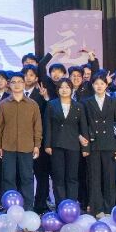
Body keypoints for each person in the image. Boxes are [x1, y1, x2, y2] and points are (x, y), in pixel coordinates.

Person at [0, 76, 42, 207]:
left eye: (20, 82)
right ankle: (9, 207)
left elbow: (37, 127)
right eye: (13, 82)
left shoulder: (33, 104)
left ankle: (28, 207)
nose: (17, 85)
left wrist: (37, 145)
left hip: (27, 147)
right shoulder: (3, 104)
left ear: (24, 84)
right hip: (7, 147)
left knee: (27, 177)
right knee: (8, 178)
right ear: (9, 85)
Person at [41, 79, 87, 208]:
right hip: (56, 145)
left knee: (72, 177)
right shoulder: (51, 104)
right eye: (61, 87)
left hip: (73, 145)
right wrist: (47, 144)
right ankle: (60, 205)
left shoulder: (78, 106)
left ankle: (71, 205)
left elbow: (83, 127)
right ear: (58, 90)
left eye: (67, 87)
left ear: (71, 89)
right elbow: (47, 126)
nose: (64, 89)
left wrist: (86, 147)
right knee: (58, 177)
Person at [82, 75, 116, 215]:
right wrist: (85, 145)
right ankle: (96, 209)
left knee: (109, 178)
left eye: (102, 83)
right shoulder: (86, 102)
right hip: (93, 144)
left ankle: (109, 209)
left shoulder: (113, 101)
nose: (99, 86)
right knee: (94, 178)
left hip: (110, 144)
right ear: (92, 85)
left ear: (106, 85)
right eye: (96, 83)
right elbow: (84, 125)